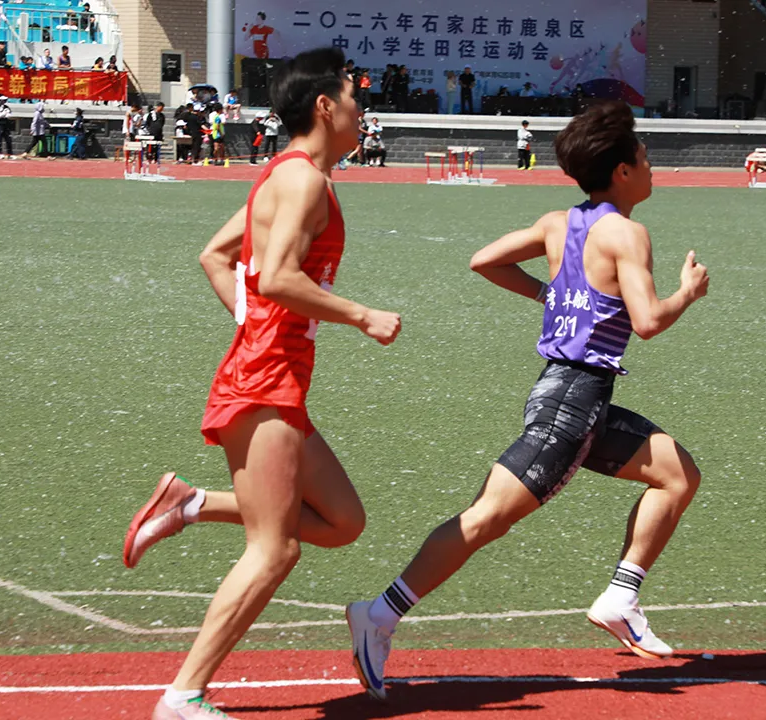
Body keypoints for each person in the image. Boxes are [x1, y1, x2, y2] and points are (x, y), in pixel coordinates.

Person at [346, 101, 709, 700]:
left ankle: (621, 597)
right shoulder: (627, 232)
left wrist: (553, 293)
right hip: (572, 402)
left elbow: (484, 261)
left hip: (574, 395)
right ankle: (379, 614)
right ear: (622, 170)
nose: (651, 168)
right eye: (645, 158)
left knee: (677, 474)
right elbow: (647, 321)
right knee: (485, 517)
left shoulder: (558, 222)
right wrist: (687, 293)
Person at [121, 46, 401, 720]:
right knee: (275, 549)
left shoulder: (284, 174)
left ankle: (189, 504)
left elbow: (216, 257)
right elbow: (274, 276)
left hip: (270, 373)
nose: (362, 110)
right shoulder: (303, 181)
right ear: (325, 106)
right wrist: (361, 315)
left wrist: (258, 326)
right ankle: (183, 694)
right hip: (265, 381)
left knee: (343, 520)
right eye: (354, 98)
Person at [0, 94, 13, 159]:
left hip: (6, 124)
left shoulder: (6, 107)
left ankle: (10, 154)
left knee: (8, 140)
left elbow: (9, 115)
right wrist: (4, 113)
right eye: (3, 100)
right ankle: (0, 153)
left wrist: (5, 114)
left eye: (5, 100)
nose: (4, 101)